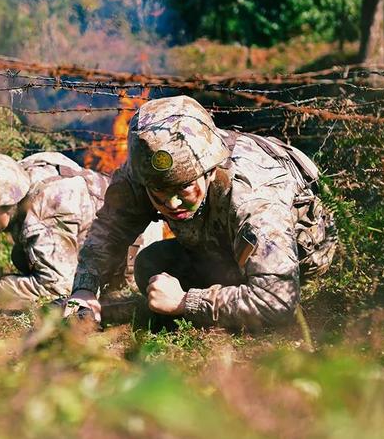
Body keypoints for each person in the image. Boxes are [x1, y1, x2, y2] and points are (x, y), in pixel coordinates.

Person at [63, 95, 337, 331]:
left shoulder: (254, 196)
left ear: (208, 172)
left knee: (167, 291)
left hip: (289, 261)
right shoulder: (143, 172)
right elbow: (110, 229)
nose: (171, 203)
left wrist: (186, 302)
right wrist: (85, 290)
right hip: (221, 248)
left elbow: (277, 301)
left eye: (183, 188)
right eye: (159, 192)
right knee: (152, 264)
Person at [0, 152, 114, 305]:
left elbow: (58, 286)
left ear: (5, 206)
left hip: (125, 256)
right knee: (21, 256)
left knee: (22, 258)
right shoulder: (19, 175)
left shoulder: (45, 217)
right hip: (107, 215)